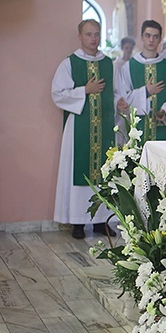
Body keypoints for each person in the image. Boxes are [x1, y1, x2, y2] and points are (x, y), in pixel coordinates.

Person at [51, 19, 120, 239]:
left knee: (106, 173)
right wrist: (85, 90)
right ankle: (78, 223)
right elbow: (58, 94)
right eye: (89, 34)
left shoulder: (109, 64)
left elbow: (118, 92)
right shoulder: (70, 63)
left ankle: (101, 222)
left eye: (97, 34)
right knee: (79, 172)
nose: (94, 38)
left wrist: (120, 103)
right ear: (80, 36)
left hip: (106, 126)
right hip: (79, 129)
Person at [119, 20, 166, 141]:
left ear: (160, 39)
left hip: (162, 128)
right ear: (142, 37)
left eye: (155, 36)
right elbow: (123, 97)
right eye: (148, 36)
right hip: (137, 128)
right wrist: (145, 91)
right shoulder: (129, 67)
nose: (151, 40)